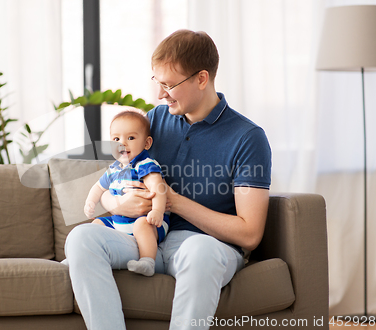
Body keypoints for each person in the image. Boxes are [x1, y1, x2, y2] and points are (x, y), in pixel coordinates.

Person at [64, 29, 272, 330]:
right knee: (81, 238)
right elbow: (114, 179)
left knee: (201, 251)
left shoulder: (248, 138)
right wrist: (118, 202)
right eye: (157, 82)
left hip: (204, 246)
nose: (160, 94)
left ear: (202, 79)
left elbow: (250, 234)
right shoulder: (154, 121)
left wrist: (173, 202)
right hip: (143, 238)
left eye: (169, 85)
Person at [83, 110, 169, 277]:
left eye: (130, 138)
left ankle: (147, 261)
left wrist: (157, 211)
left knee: (141, 225)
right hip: (120, 223)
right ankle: (80, 257)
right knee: (97, 224)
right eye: (116, 139)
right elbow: (99, 187)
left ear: (146, 143)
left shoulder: (145, 164)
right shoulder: (114, 168)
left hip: (149, 222)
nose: (122, 143)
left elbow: (158, 187)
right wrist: (90, 202)